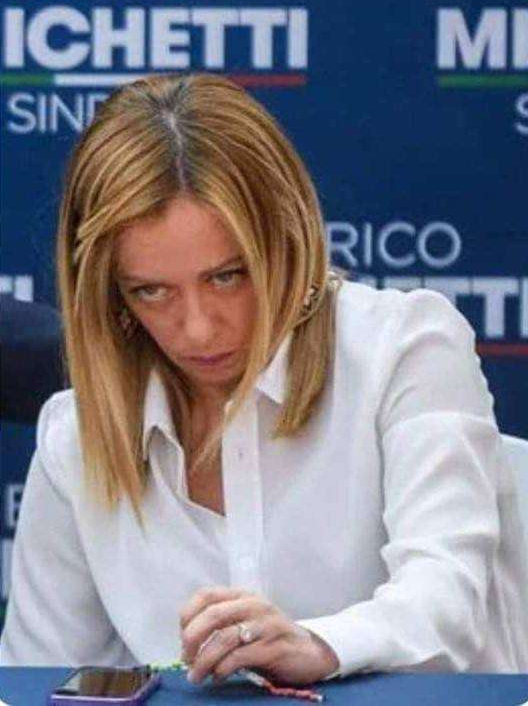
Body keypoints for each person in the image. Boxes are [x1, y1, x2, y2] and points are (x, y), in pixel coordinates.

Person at [0, 73, 527, 682]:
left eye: (228, 276)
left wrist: (318, 646)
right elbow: (40, 681)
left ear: (288, 234)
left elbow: (446, 605)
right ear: (108, 292)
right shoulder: (77, 436)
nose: (198, 329)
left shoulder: (405, 349)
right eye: (151, 291)